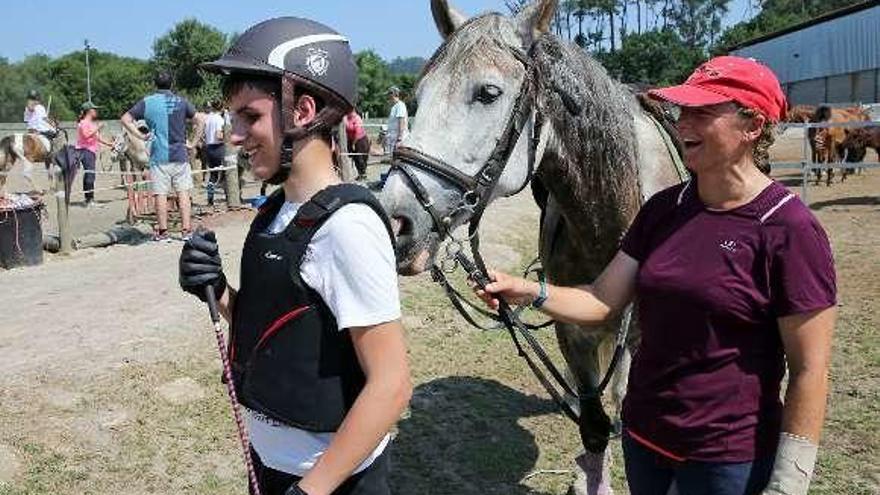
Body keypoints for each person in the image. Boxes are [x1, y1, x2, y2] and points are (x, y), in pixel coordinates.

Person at [475, 56, 836, 495]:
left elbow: (809, 369)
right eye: (683, 110)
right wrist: (526, 289)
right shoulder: (663, 210)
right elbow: (601, 300)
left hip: (726, 459)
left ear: (753, 126)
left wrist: (789, 482)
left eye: (703, 112)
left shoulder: (789, 229)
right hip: (644, 440)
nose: (684, 123)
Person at [179, 17, 412, 495]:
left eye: (250, 116)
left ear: (302, 110)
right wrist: (220, 291)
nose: (236, 135)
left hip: (334, 481)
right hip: (274, 468)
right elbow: (282, 327)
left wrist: (313, 489)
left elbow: (391, 385)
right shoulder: (278, 211)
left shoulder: (347, 227)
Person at [121, 72, 205, 241]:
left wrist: (139, 135)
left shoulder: (147, 102)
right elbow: (201, 120)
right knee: (183, 193)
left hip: (158, 154)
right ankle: (186, 231)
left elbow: (125, 119)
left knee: (160, 194)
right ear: (171, 84)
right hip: (180, 154)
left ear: (155, 84)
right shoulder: (182, 101)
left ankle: (163, 232)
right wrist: (193, 142)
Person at [74, 102, 114, 207]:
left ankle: (88, 199)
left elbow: (97, 138)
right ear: (89, 111)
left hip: (90, 150)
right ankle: (89, 200)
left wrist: (109, 144)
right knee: (90, 175)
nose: (96, 111)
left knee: (89, 174)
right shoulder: (83, 123)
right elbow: (86, 135)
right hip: (85, 151)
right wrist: (98, 128)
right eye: (94, 109)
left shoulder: (91, 123)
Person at [203, 100, 227, 205]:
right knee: (227, 172)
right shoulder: (220, 120)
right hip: (218, 147)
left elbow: (204, 135)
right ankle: (229, 196)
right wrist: (227, 137)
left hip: (208, 148)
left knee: (213, 175)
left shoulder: (208, 119)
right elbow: (218, 136)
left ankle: (210, 198)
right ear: (221, 108)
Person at [343, 109, 370, 181]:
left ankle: (363, 174)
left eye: (351, 111)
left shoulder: (357, 118)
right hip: (351, 139)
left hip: (360, 140)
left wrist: (353, 144)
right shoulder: (345, 118)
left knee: (361, 157)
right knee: (355, 157)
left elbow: (357, 132)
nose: (350, 113)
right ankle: (360, 173)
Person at [384, 87, 408, 154]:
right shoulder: (394, 106)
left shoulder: (400, 106)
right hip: (393, 138)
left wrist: (399, 138)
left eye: (388, 95)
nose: (387, 97)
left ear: (393, 94)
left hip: (398, 139)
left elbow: (401, 121)